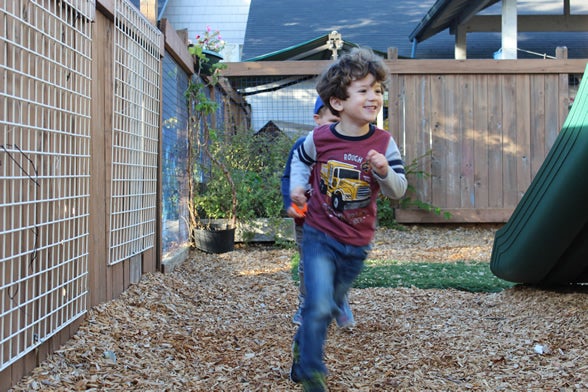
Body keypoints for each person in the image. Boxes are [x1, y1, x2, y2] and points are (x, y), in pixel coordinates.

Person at [288, 47, 408, 391]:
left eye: (378, 90)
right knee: (318, 300)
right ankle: (312, 372)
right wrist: (298, 187)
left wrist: (384, 172)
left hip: (357, 243)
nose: (374, 97)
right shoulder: (320, 138)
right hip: (318, 235)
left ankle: (302, 346)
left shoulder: (384, 143)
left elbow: (398, 191)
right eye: (364, 90)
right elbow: (300, 157)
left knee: (326, 309)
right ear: (338, 103)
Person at [281, 97, 355, 329]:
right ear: (317, 120)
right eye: (332, 120)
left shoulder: (348, 151)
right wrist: (291, 200)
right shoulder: (303, 146)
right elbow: (288, 177)